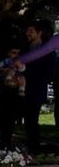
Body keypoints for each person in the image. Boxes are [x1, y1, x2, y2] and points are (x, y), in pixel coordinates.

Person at [21, 20, 57, 152]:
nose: (27, 34)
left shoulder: (48, 52)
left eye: (31, 31)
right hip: (20, 90)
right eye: (27, 31)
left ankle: (34, 148)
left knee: (31, 121)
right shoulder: (24, 49)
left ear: (39, 33)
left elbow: (49, 74)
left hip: (35, 91)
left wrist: (26, 72)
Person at [0, 43, 26, 149]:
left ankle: (7, 144)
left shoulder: (18, 63)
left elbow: (22, 69)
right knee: (1, 120)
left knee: (10, 121)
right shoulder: (4, 62)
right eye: (13, 53)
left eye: (18, 53)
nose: (16, 55)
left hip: (13, 95)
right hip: (3, 94)